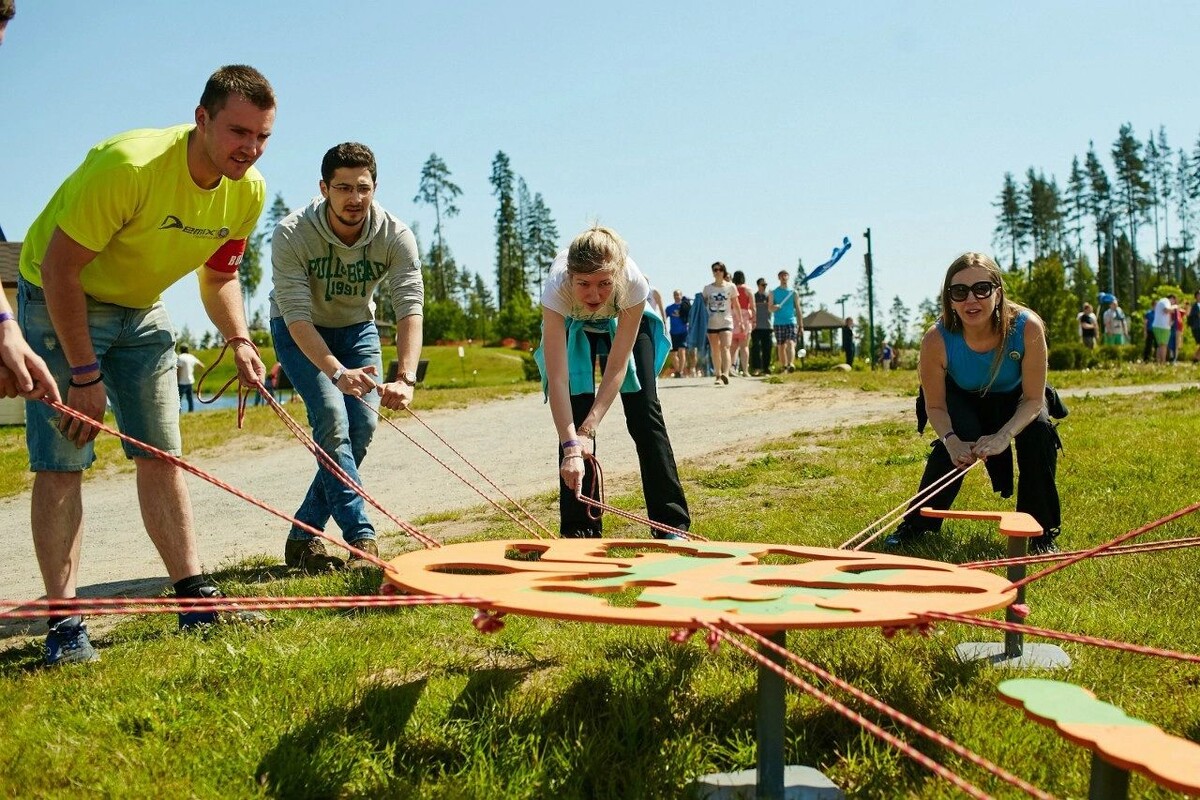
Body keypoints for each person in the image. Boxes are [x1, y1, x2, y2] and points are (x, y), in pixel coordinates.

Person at [17, 65, 275, 665]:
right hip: (60, 296)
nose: (250, 149)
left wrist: (237, 339)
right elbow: (60, 270)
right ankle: (64, 625)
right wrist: (84, 374)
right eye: (239, 132)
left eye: (263, 136)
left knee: (162, 450)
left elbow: (219, 276)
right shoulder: (128, 167)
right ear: (202, 119)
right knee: (63, 458)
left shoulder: (248, 190)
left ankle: (194, 599)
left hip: (142, 309)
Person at [269, 142, 424, 573]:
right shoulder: (291, 233)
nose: (354, 199)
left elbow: (410, 305)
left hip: (357, 328)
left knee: (363, 426)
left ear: (375, 187)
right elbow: (297, 315)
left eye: (363, 187)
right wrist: (335, 371)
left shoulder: (395, 235)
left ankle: (303, 537)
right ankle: (363, 541)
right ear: (323, 189)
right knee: (333, 420)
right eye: (342, 188)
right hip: (299, 331)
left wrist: (405, 377)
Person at [885, 252, 1063, 555]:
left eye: (982, 288)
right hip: (962, 397)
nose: (972, 299)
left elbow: (1033, 399)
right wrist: (951, 441)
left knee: (1039, 432)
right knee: (956, 439)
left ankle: (1040, 532)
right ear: (950, 299)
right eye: (960, 291)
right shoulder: (936, 340)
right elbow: (936, 407)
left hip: (1017, 399)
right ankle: (916, 526)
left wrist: (1003, 437)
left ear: (998, 292)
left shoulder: (1027, 327)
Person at [534, 225, 689, 539]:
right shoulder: (556, 289)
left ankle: (670, 523)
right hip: (574, 326)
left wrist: (590, 428)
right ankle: (581, 529)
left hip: (626, 321)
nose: (594, 295)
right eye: (584, 284)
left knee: (644, 412)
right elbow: (559, 379)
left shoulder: (632, 284)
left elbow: (617, 367)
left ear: (617, 276)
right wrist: (572, 446)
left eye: (604, 284)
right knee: (574, 420)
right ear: (570, 278)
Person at [703, 262, 736, 385]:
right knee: (715, 349)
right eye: (715, 270)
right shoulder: (707, 288)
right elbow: (703, 306)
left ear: (724, 271)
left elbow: (736, 304)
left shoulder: (731, 287)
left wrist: (741, 321)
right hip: (711, 323)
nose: (717, 272)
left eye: (720, 269)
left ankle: (725, 373)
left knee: (725, 347)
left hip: (726, 321)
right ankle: (717, 374)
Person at [769, 270, 803, 372]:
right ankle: (784, 366)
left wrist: (801, 324)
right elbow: (770, 308)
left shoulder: (793, 292)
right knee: (781, 345)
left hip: (791, 322)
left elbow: (798, 309)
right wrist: (775, 307)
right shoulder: (773, 292)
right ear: (779, 278)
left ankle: (790, 364)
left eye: (785, 275)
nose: (784, 277)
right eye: (782, 276)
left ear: (788, 277)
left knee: (790, 342)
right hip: (778, 322)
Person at [731, 270, 753, 377]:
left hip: (732, 317)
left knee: (733, 346)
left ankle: (730, 368)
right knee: (744, 346)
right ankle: (745, 370)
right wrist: (754, 320)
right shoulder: (748, 290)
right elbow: (753, 307)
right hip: (744, 317)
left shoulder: (731, 290)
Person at [751, 277, 774, 375]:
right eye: (762, 285)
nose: (764, 287)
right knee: (756, 347)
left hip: (767, 326)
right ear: (758, 285)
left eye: (765, 285)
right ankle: (756, 368)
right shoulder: (753, 296)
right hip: (756, 326)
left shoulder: (769, 296)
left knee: (767, 348)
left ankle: (766, 368)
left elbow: (773, 307)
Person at [664, 290, 689, 377]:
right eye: (675, 295)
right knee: (673, 354)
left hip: (684, 332)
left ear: (681, 295)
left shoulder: (685, 306)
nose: (677, 296)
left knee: (682, 351)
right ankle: (678, 370)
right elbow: (664, 318)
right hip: (673, 333)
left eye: (678, 295)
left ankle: (681, 371)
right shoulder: (669, 308)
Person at [175, 345, 204, 412]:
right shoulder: (191, 357)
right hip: (190, 381)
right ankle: (191, 412)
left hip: (181, 382)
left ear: (181, 350)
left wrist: (176, 380)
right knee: (190, 398)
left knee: (178, 399)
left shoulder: (180, 357)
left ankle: (179, 413)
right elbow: (201, 366)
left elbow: (178, 370)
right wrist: (196, 372)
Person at [1151, 294, 1178, 364]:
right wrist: (1175, 307)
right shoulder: (1166, 301)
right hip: (1162, 327)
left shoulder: (1161, 301)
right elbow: (1166, 310)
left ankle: (1158, 363)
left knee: (1160, 345)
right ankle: (1162, 362)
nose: (1174, 303)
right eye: (1174, 301)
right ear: (1172, 298)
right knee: (1164, 345)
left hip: (1159, 326)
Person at [1189, 290, 1200, 362]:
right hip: (1197, 327)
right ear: (1196, 297)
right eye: (1199, 295)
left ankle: (1196, 358)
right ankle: (1196, 357)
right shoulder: (1194, 306)